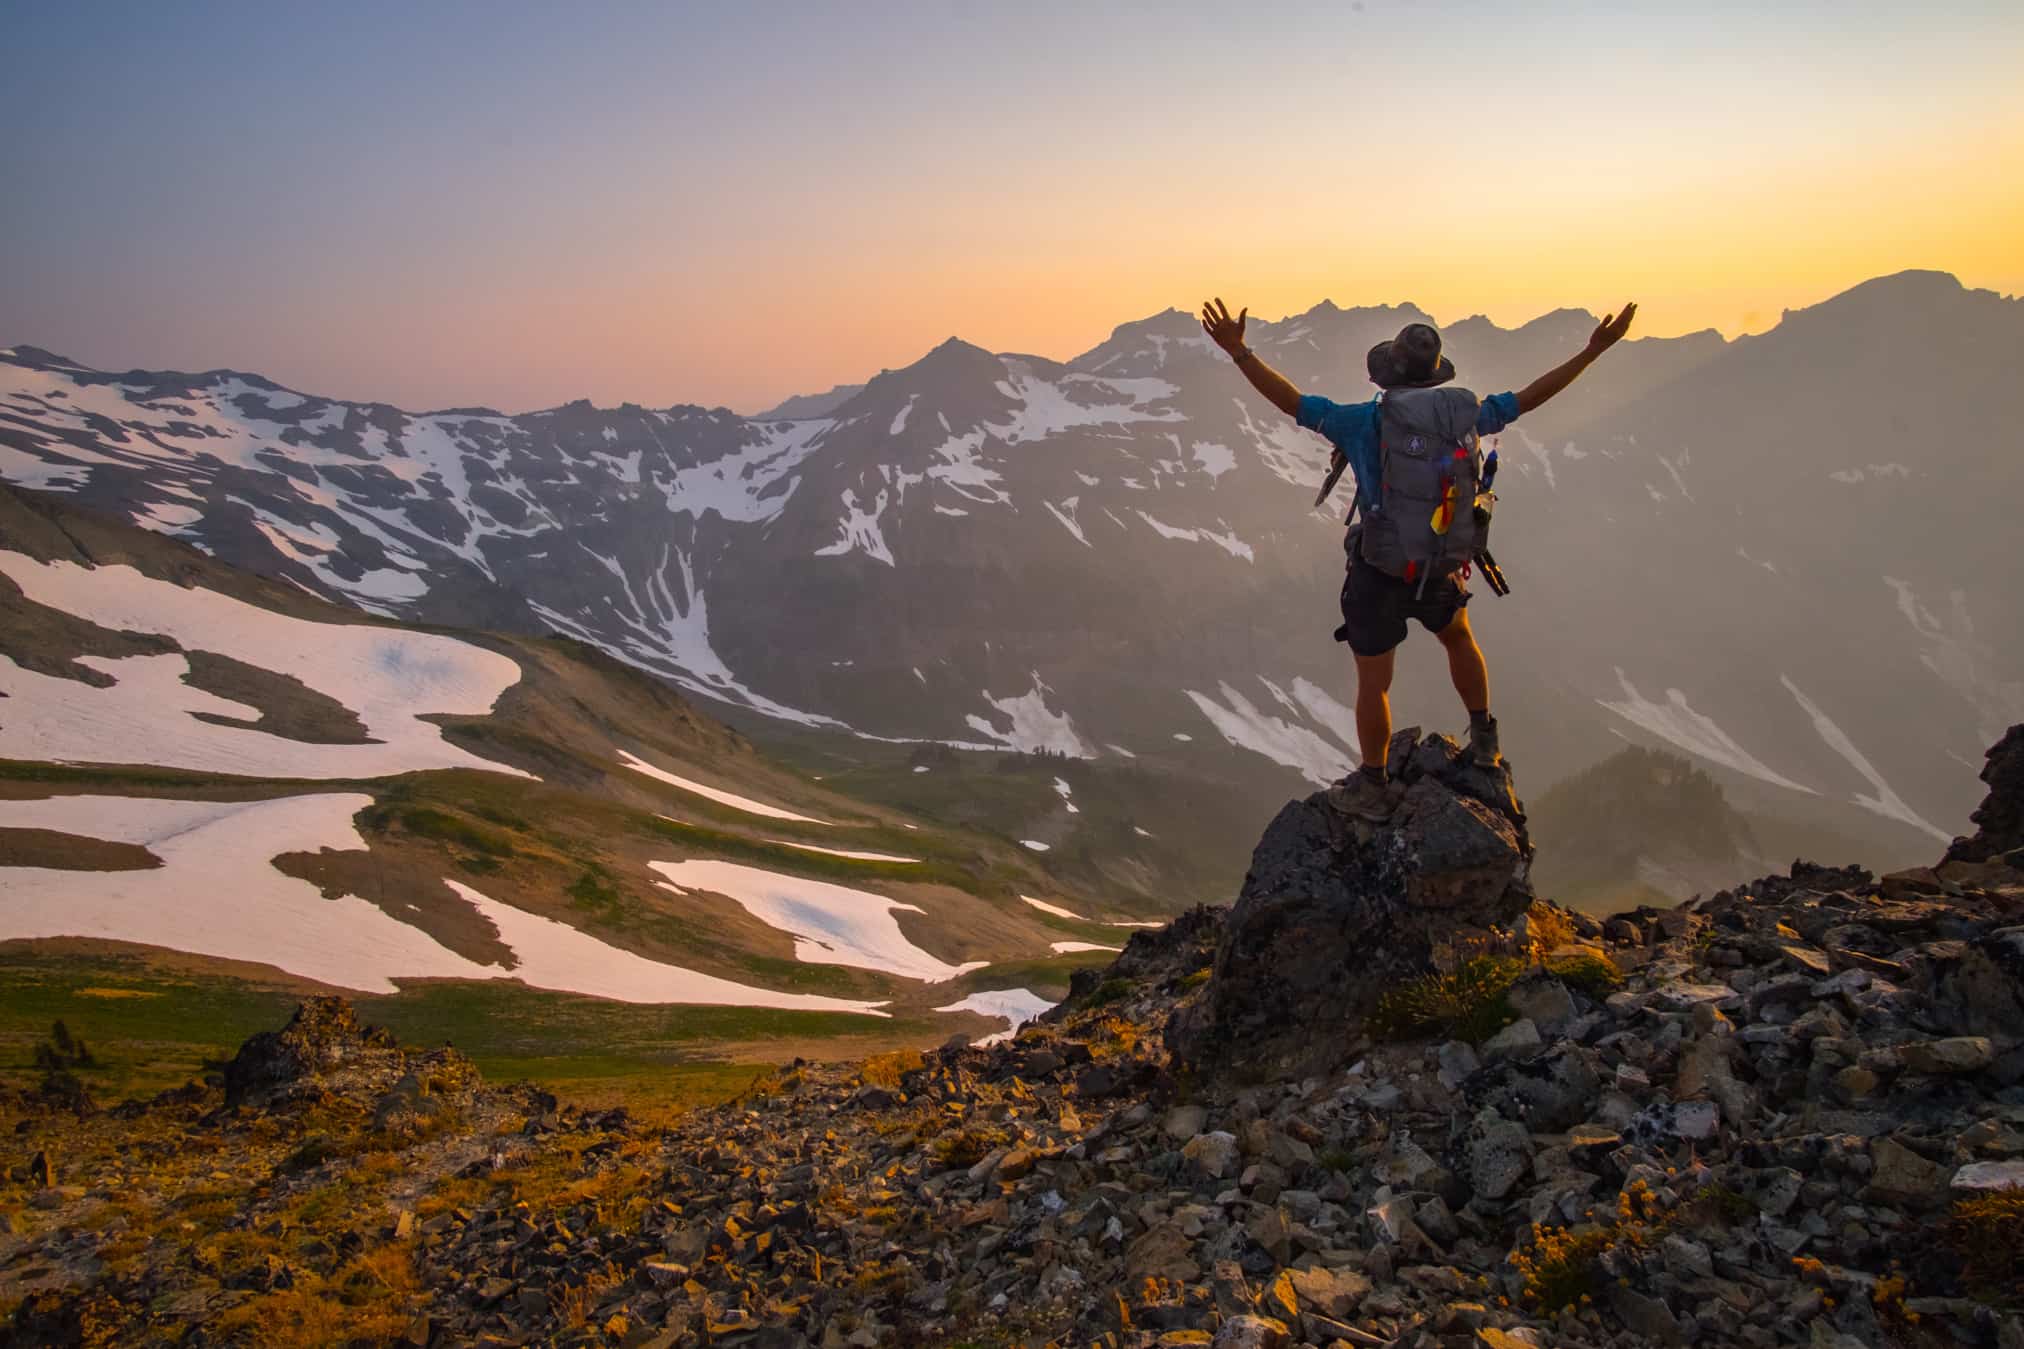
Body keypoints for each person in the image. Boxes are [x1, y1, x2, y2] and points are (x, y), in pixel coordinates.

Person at [1199, 296, 1637, 819]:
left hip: (1381, 569)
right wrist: (1591, 352)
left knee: (1373, 681)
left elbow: (1292, 402)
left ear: (1387, 374)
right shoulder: (1469, 414)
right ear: (1435, 376)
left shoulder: (1364, 422)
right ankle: (1483, 740)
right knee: (1458, 637)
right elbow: (1531, 396)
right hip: (1442, 561)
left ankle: (1374, 783)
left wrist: (1240, 353)